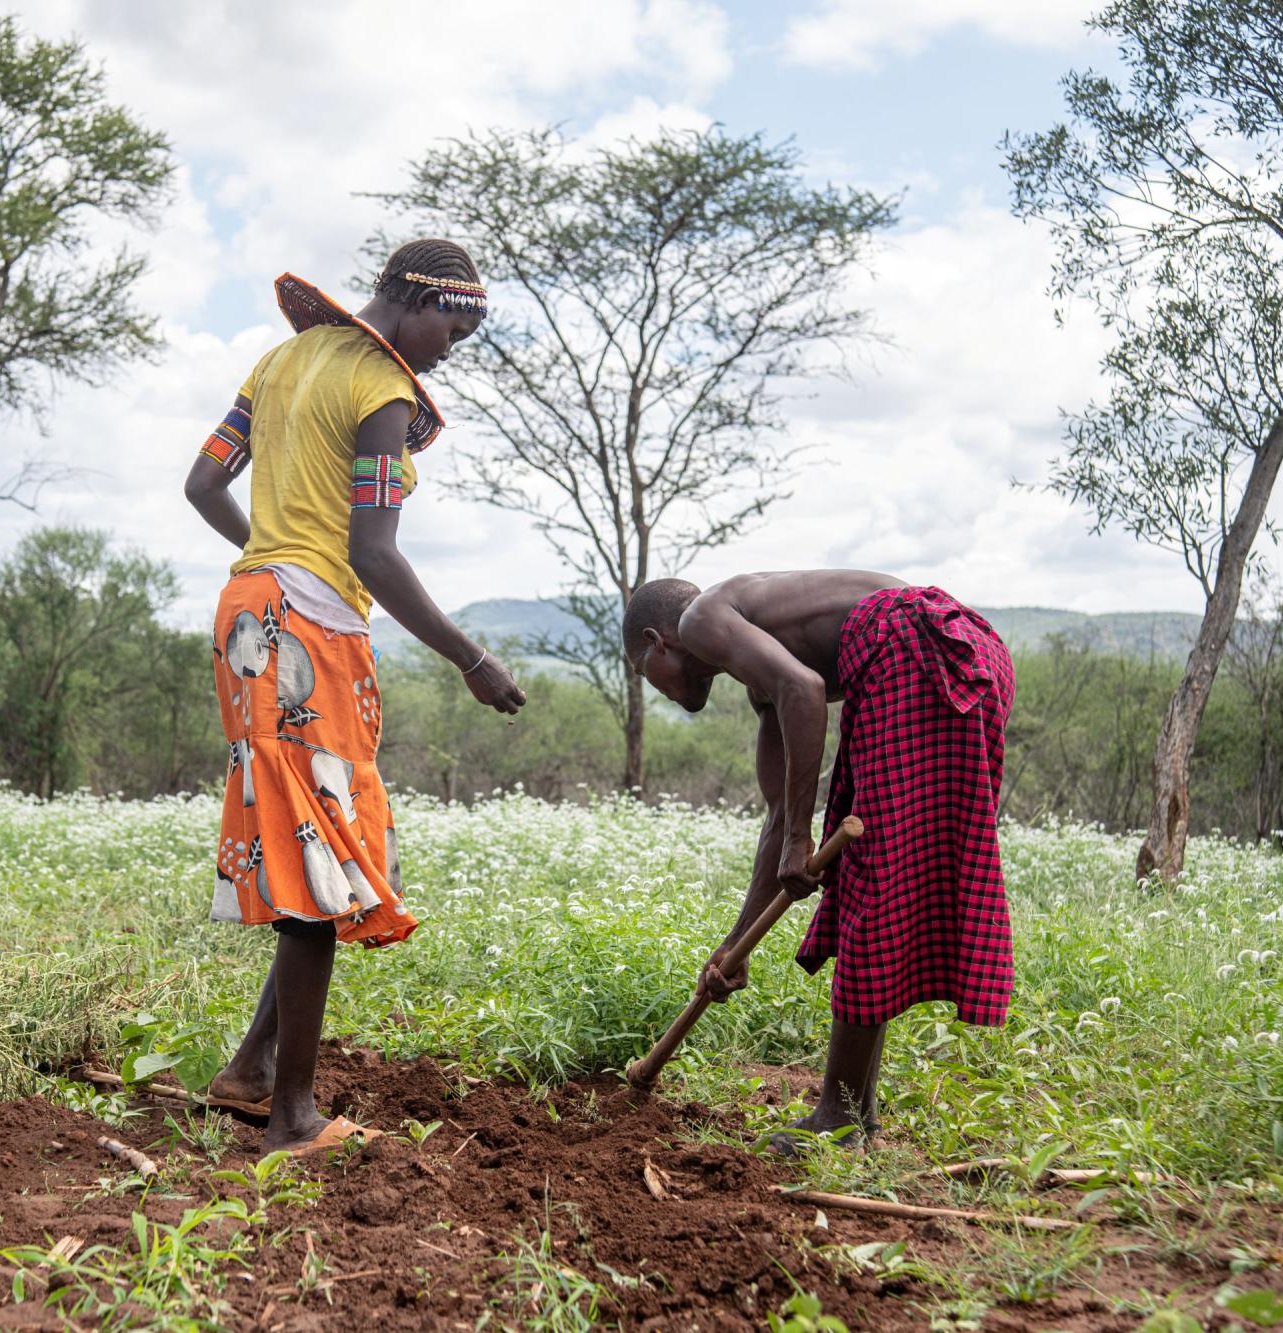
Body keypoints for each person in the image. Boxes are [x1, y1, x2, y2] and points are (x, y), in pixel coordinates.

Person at [183, 240, 527, 1153]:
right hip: (311, 626)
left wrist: (274, 549)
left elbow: (202, 482)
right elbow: (376, 552)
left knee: (308, 840)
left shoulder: (279, 362)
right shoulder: (383, 388)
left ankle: (252, 1071)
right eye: (450, 327)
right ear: (417, 300)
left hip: (249, 611)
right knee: (321, 862)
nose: (448, 348)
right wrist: (470, 658)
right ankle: (293, 1115)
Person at [624, 572, 1015, 1151]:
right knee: (885, 880)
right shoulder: (763, 676)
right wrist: (737, 946)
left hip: (912, 648)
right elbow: (781, 813)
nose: (656, 690)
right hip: (968, 653)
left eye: (643, 673)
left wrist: (800, 842)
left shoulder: (700, 619)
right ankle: (853, 1113)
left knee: (871, 883)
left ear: (659, 641)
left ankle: (839, 1118)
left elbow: (805, 691)